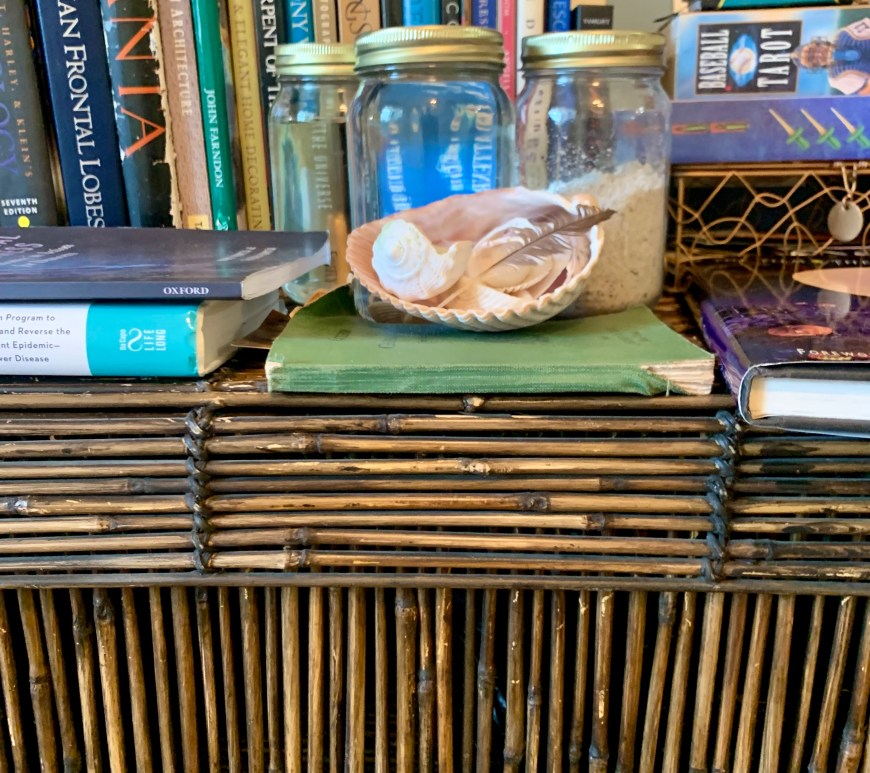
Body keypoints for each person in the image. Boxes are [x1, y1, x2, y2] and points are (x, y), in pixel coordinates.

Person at [792, 16, 870, 96]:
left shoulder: (846, 34)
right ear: (815, 66)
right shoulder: (836, 78)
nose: (818, 54)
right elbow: (864, 94)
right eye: (812, 59)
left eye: (814, 50)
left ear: (818, 43)